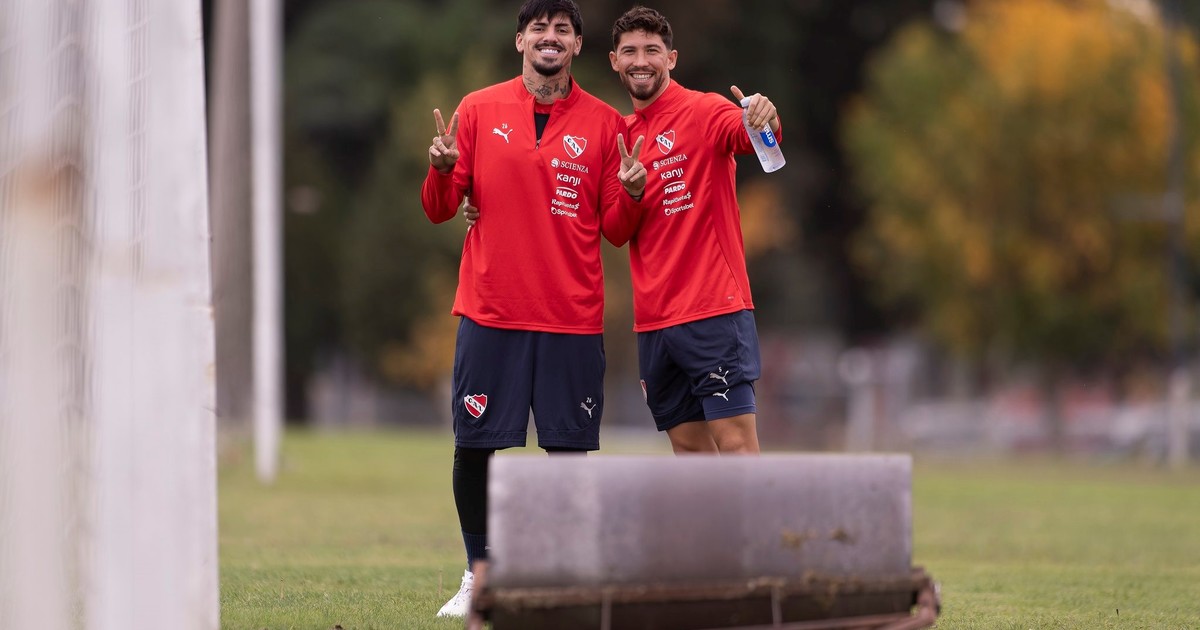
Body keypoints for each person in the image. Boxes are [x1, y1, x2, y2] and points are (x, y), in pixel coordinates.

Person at [421, 0, 642, 618]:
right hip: (491, 310)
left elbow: (616, 230)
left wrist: (632, 193)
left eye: (562, 29)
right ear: (520, 40)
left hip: (571, 316)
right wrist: (440, 170)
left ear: (577, 46)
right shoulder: (477, 108)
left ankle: (556, 580)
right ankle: (479, 576)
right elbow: (440, 208)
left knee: (567, 455)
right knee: (475, 448)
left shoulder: (605, 123)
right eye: (539, 28)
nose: (550, 37)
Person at [607, 6, 781, 455]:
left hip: (713, 312)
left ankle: (763, 511)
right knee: (690, 457)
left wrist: (765, 119)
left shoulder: (703, 109)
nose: (641, 61)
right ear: (615, 61)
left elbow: (750, 134)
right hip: (654, 324)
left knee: (737, 447)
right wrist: (632, 193)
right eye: (630, 51)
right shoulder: (621, 138)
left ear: (671, 58)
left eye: (652, 50)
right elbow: (615, 230)